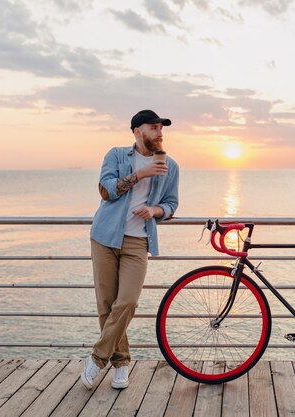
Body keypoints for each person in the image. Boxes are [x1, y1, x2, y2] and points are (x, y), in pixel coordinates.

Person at [81, 109, 179, 389]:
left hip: (138, 241)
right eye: (154, 127)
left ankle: (97, 358)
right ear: (137, 131)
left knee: (128, 301)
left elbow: (172, 204)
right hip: (104, 237)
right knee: (106, 305)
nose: (159, 133)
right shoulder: (116, 155)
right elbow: (105, 190)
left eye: (161, 128)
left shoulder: (170, 165)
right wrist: (139, 175)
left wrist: (155, 209)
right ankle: (121, 364)